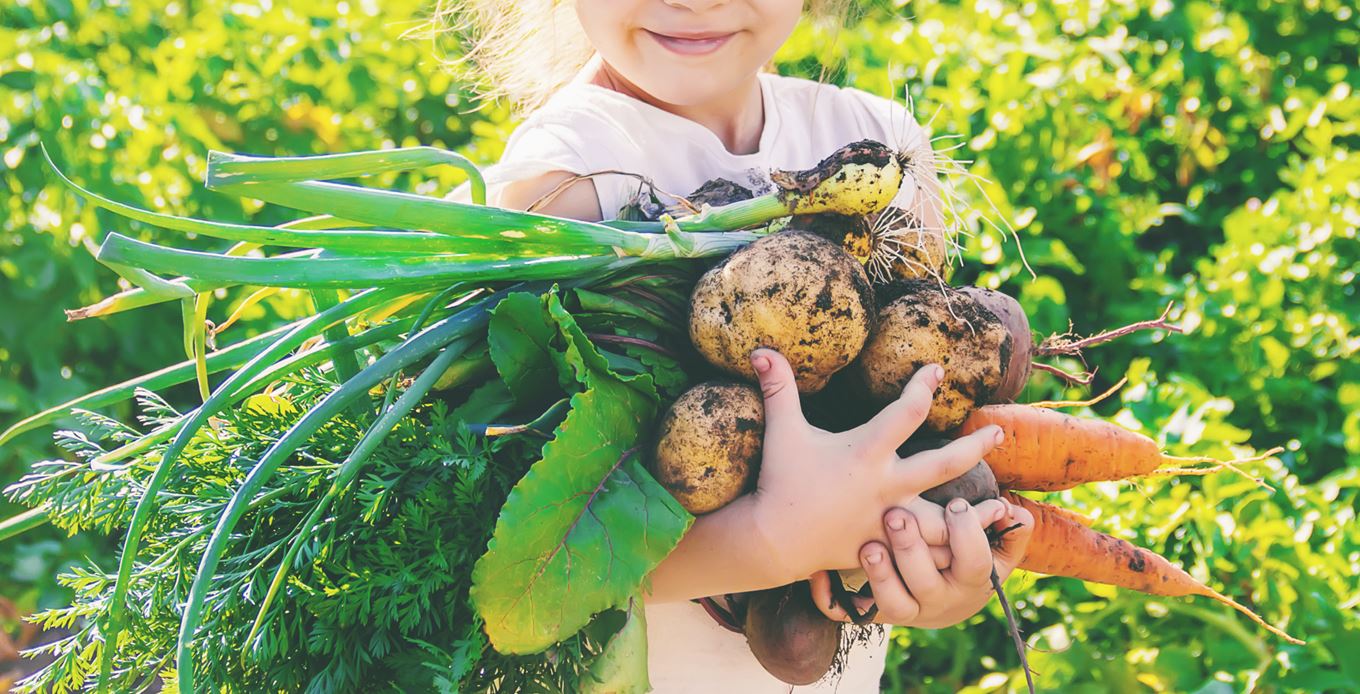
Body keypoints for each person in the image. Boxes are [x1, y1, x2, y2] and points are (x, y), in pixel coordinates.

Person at [438, 1, 1034, 690]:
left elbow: (923, 414)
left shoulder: (877, 142)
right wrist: (770, 543)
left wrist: (936, 570)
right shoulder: (559, 186)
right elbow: (517, 569)